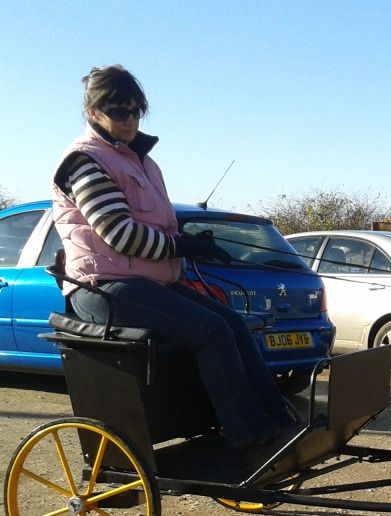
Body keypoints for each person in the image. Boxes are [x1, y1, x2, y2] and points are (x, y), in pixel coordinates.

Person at [52, 65, 295, 450]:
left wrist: (189, 239)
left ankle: (279, 419)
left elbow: (156, 228)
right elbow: (121, 235)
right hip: (107, 288)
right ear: (93, 113)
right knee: (210, 331)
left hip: (147, 283)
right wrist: (184, 246)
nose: (130, 120)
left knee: (230, 321)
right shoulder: (84, 162)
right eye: (119, 112)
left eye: (136, 111)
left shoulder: (142, 162)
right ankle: (249, 434)